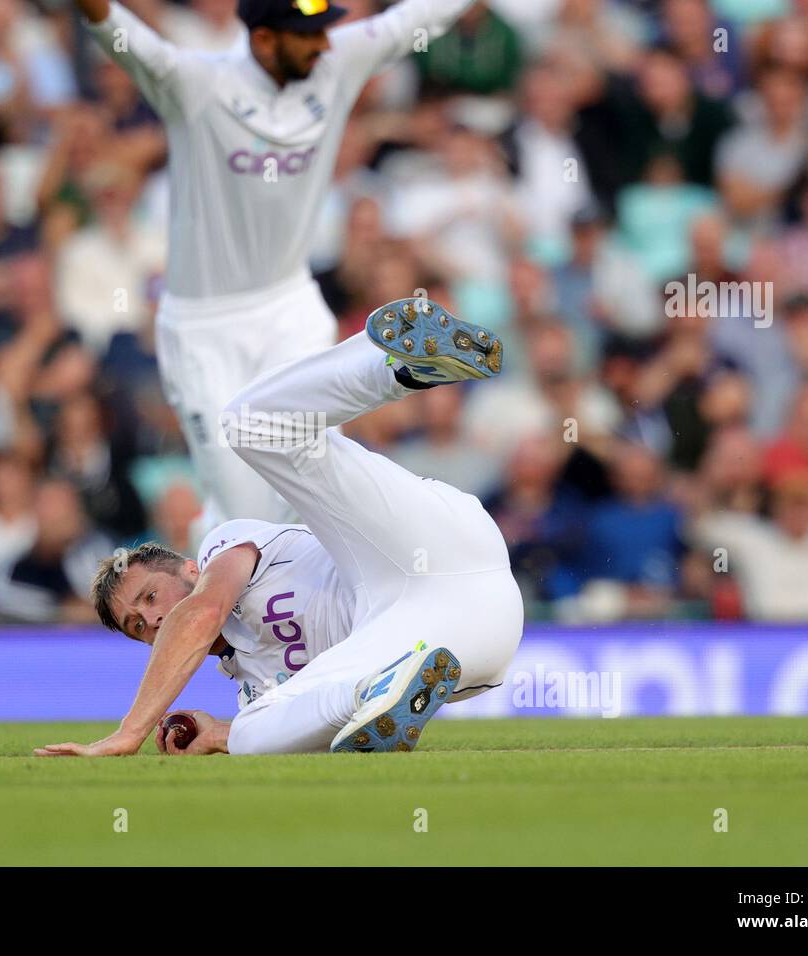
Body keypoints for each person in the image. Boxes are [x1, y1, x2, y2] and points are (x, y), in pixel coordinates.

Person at [71, 0, 495, 532]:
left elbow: (416, 19)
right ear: (265, 40)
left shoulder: (334, 61)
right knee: (248, 508)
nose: (323, 43)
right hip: (204, 330)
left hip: (288, 305)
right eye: (306, 34)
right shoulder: (197, 84)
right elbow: (119, 33)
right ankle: (237, 591)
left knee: (321, 486)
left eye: (324, 28)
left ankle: (404, 370)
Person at [35, 296, 521, 756]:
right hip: (460, 638)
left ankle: (400, 368)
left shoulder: (222, 549)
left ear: (186, 568)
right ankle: (378, 699)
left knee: (247, 423)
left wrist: (130, 731)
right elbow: (264, 718)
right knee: (252, 730)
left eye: (149, 597)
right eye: (137, 627)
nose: (153, 621)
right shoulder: (256, 690)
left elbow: (202, 613)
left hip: (425, 543)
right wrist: (219, 732)